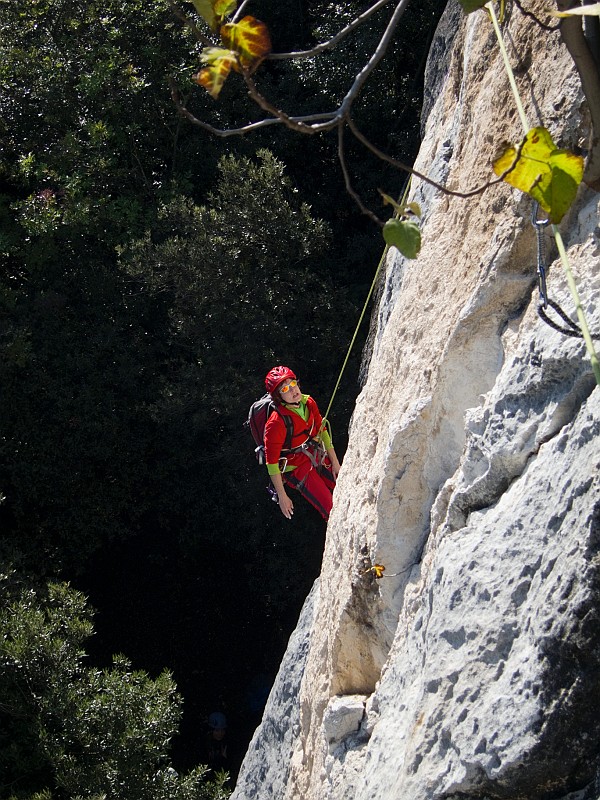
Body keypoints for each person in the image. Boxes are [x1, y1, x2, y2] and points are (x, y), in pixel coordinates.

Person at [263, 366, 341, 520]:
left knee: (347, 485)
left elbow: (322, 430)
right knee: (331, 508)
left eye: (293, 384)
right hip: (298, 468)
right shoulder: (276, 423)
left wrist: (335, 462)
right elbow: (271, 463)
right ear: (279, 397)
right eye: (285, 389)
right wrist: (282, 496)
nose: (293, 391)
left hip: (315, 454)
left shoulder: (308, 402)